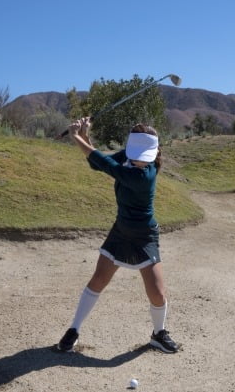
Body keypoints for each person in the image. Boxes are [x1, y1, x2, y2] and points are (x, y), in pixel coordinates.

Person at [56, 117, 179, 354]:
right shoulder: (128, 156)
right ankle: (74, 329)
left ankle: (159, 332)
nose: (139, 160)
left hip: (145, 235)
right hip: (121, 231)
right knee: (98, 280)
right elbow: (98, 164)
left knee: (157, 292)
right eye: (136, 155)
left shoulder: (146, 174)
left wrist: (76, 137)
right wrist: (85, 135)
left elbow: (107, 166)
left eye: (143, 156)